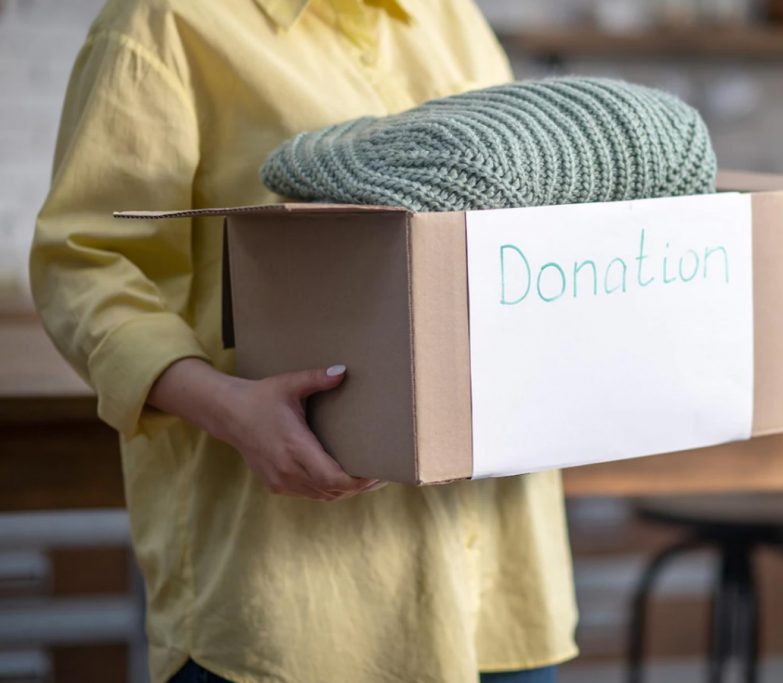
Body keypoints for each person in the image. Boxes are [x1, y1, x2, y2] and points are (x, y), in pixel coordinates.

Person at [30, 1, 578, 681]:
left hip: (503, 582)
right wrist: (233, 407)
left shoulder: (450, 15)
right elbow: (86, 262)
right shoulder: (165, 21)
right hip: (298, 606)